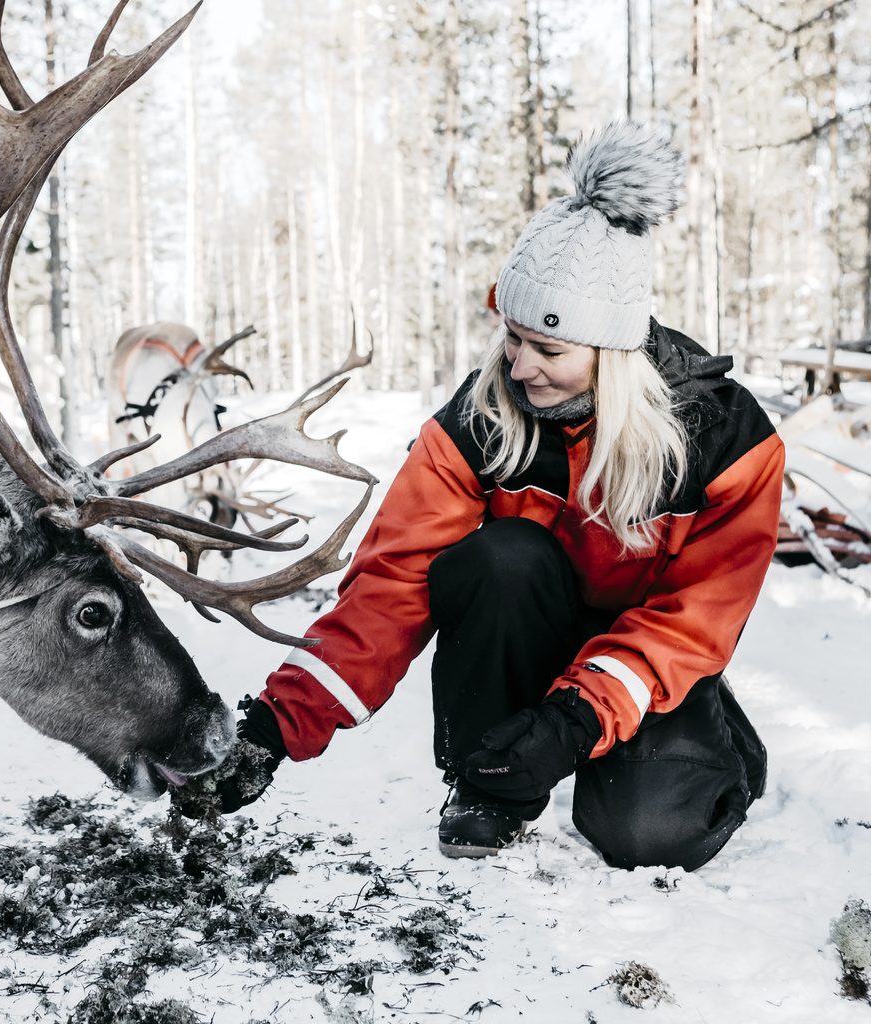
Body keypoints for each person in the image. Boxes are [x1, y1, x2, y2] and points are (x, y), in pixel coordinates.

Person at [206, 122, 783, 871]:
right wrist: (277, 728)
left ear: (613, 352)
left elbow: (695, 616)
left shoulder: (727, 437)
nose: (520, 367)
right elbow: (392, 583)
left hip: (645, 657)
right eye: (512, 337)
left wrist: (576, 720)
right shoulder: (481, 417)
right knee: (499, 558)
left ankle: (705, 742)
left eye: (549, 348)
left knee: (647, 838)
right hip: (526, 628)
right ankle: (489, 788)